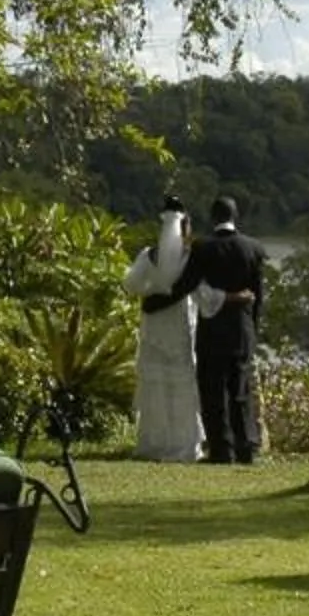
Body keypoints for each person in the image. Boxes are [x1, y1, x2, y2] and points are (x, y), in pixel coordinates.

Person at [147, 195, 266, 464]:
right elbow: (259, 295)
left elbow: (186, 285)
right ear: (235, 217)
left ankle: (221, 449)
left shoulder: (204, 248)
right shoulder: (253, 248)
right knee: (241, 390)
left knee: (213, 390)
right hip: (242, 329)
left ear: (213, 218)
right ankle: (246, 446)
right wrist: (253, 328)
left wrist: (156, 303)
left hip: (213, 329)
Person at [121, 198, 207, 461]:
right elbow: (203, 292)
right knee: (181, 382)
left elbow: (132, 284)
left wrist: (152, 294)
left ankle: (153, 442)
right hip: (180, 323)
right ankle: (183, 443)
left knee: (155, 383)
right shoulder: (191, 257)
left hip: (155, 325)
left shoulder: (149, 255)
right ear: (185, 226)